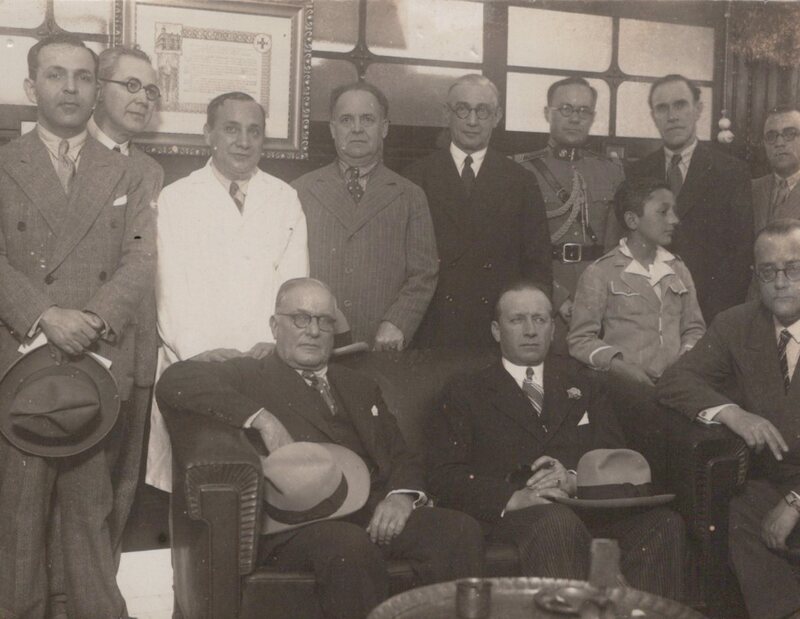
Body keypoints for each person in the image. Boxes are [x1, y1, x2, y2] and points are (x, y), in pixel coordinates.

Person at [155, 278, 483, 619]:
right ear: (275, 326)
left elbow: (400, 453)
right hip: (301, 523)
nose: (313, 331)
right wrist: (263, 418)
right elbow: (175, 381)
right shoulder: (250, 374)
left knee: (460, 531)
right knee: (350, 548)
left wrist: (401, 497)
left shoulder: (359, 385)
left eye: (324, 321)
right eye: (301, 318)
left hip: (371, 509)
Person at [0, 33, 155, 618]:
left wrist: (92, 319)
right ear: (30, 86)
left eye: (84, 76)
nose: (70, 88)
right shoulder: (4, 165)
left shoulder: (129, 172)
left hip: (97, 362)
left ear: (95, 90)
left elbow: (141, 258)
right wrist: (45, 315)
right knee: (19, 517)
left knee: (92, 513)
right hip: (21, 362)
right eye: (56, 74)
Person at [428, 280, 685, 600]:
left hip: (585, 507)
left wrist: (573, 480)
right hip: (518, 516)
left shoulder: (585, 383)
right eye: (517, 320)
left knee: (664, 524)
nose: (530, 330)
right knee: (556, 522)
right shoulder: (465, 391)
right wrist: (514, 498)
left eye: (540, 319)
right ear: (496, 330)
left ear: (553, 329)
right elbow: (443, 476)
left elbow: (614, 455)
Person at [147, 91, 308, 492]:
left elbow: (294, 285)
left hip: (263, 359)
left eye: (254, 131)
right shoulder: (176, 198)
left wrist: (275, 344)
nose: (244, 141)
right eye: (232, 129)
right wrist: (198, 350)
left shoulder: (284, 198)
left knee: (268, 484)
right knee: (200, 482)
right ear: (209, 135)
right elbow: (168, 288)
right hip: (195, 362)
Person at [659, 218, 800, 619]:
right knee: (738, 508)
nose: (780, 283)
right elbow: (675, 381)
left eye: (793, 269)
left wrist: (797, 502)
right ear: (755, 276)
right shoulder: (736, 324)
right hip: (774, 481)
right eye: (768, 272)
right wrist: (732, 413)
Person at [404, 74, 551, 349]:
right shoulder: (416, 177)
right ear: (446, 113)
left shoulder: (521, 180)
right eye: (463, 109)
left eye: (482, 111)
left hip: (497, 329)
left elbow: (537, 264)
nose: (472, 121)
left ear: (497, 116)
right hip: (432, 328)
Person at [293, 82, 438, 350]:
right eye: (346, 120)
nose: (357, 128)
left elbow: (424, 273)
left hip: (380, 346)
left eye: (368, 119)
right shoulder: (300, 191)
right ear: (332, 129)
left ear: (384, 127)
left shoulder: (410, 195)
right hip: (313, 341)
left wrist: (398, 322)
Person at [89, 44, 164, 547]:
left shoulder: (149, 170)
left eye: (151, 90)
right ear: (99, 90)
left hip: (135, 352)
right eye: (131, 85)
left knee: (120, 491)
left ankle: (102, 583)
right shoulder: (69, 155)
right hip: (79, 346)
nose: (143, 98)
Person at [627, 73, 753, 323]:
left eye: (680, 105)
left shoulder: (731, 172)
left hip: (711, 313)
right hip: (648, 315)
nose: (672, 116)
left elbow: (740, 255)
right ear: (653, 116)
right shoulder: (636, 172)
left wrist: (714, 319)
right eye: (662, 108)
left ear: (698, 110)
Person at [568, 177, 705, 385]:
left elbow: (694, 329)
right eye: (663, 212)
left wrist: (683, 363)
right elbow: (580, 340)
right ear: (632, 220)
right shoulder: (600, 272)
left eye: (673, 211)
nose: (674, 219)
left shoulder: (678, 268)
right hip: (623, 387)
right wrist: (620, 367)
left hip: (675, 384)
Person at [515, 76, 625, 325]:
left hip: (599, 297)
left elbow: (617, 248)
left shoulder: (611, 171)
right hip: (542, 295)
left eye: (584, 111)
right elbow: (515, 248)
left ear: (593, 117)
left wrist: (601, 296)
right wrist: (557, 298)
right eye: (566, 109)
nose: (575, 118)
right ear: (547, 113)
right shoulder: (521, 170)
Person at [753, 105, 800, 234]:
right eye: (771, 136)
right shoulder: (749, 189)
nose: (779, 143)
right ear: (764, 143)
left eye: (789, 134)